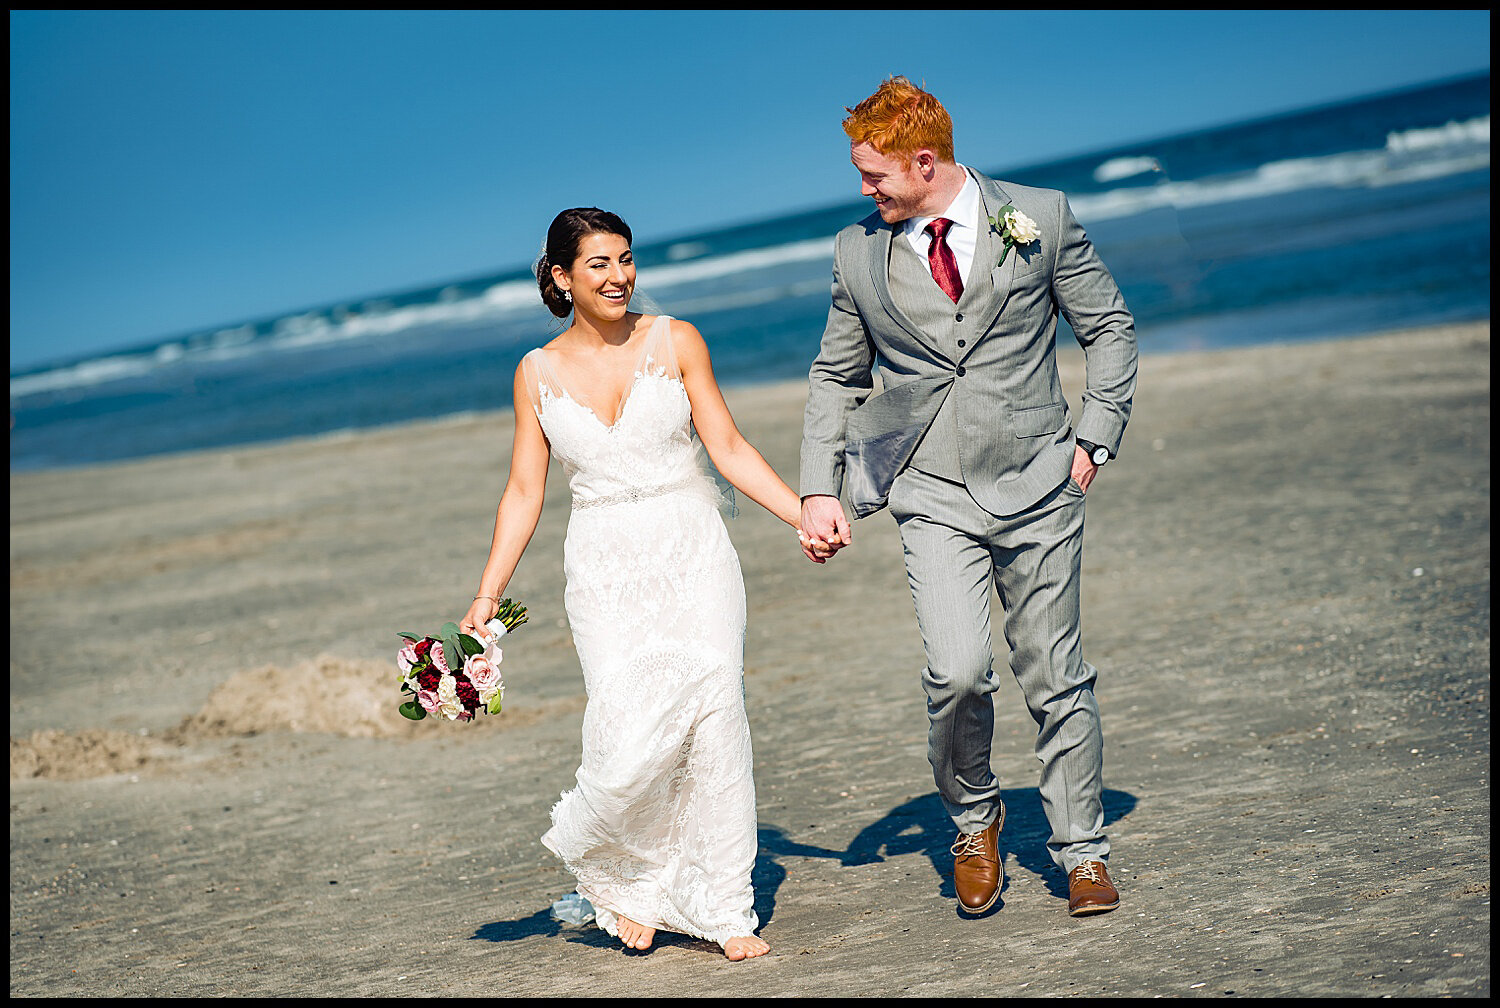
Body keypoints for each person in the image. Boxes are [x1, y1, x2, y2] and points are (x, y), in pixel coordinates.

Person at [798, 77, 1138, 918]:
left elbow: (1108, 326)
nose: (864, 190)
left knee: (1056, 676)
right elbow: (836, 375)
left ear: (924, 162)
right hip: (929, 489)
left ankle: (1082, 851)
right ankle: (974, 819)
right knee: (956, 674)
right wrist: (819, 488)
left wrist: (1094, 437)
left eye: (874, 175)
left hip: (1040, 479)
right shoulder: (856, 255)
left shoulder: (1042, 216)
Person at [460, 208, 824, 961]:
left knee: (715, 713)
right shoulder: (535, 372)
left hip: (693, 549)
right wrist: (487, 596)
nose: (619, 275)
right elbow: (524, 493)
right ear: (563, 277)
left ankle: (725, 908)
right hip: (602, 566)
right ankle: (633, 885)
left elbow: (725, 445)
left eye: (625, 259)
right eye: (598, 264)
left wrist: (802, 516)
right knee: (628, 733)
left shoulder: (677, 338)